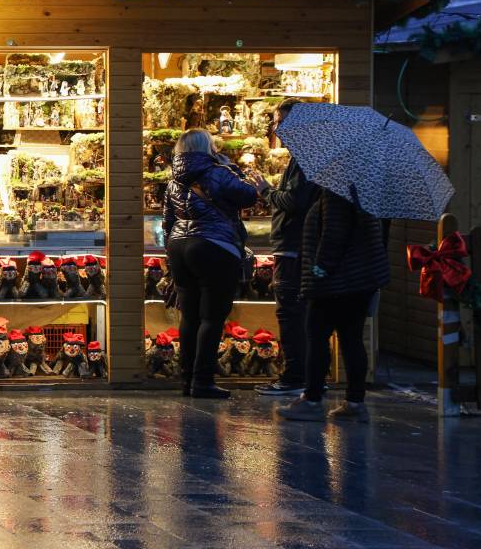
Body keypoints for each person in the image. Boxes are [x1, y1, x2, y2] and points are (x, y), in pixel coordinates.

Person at [278, 189, 389, 422]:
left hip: (336, 281)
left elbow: (334, 234)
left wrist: (320, 268)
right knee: (351, 339)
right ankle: (355, 402)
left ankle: (312, 400)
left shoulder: (337, 193)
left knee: (316, 336)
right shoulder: (365, 192)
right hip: (360, 279)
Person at [162, 128, 258, 399]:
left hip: (179, 247)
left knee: (189, 316)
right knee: (212, 317)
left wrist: (171, 253)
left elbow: (168, 220)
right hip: (214, 246)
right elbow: (249, 195)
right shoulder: (219, 172)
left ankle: (186, 380)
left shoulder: (173, 180)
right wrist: (232, 168)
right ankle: (203, 381)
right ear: (208, 147)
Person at [250, 99, 317, 397]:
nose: (276, 128)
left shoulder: (305, 159)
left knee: (290, 313)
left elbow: (293, 202)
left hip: (293, 246)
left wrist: (266, 191)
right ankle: (307, 375)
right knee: (298, 313)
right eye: (276, 121)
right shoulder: (305, 157)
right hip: (297, 245)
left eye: (281, 121)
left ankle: (295, 377)